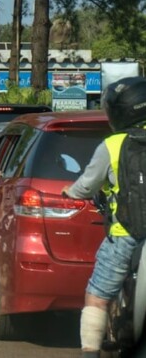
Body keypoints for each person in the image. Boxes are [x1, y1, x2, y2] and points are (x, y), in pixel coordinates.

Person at [61, 77, 146, 357]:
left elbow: (86, 186)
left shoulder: (112, 145)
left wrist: (69, 192)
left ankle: (90, 352)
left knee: (97, 296)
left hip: (125, 237)